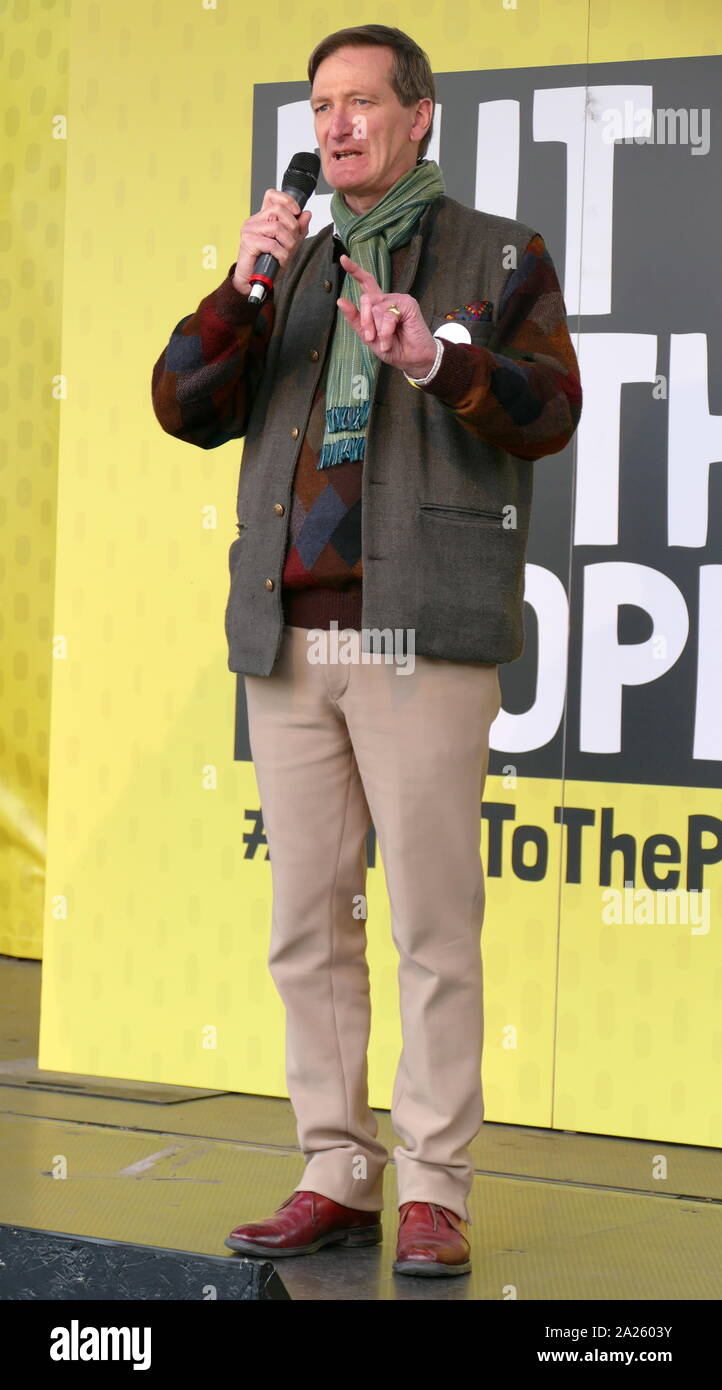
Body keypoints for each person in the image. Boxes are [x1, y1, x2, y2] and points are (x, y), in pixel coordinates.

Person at [151, 23, 582, 1277]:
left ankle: (434, 1187)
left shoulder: (495, 252)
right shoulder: (286, 262)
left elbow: (548, 410)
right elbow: (182, 403)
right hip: (289, 637)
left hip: (423, 632)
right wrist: (241, 284)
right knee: (307, 923)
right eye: (319, 105)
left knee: (433, 924)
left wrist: (435, 358)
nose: (333, 124)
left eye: (359, 102)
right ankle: (335, 1167)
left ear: (419, 116)